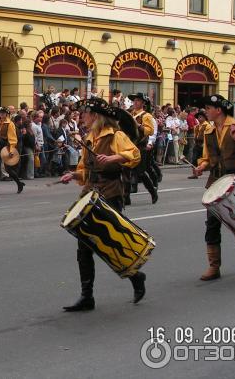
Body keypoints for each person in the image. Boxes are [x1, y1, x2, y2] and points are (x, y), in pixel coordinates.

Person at [60, 97, 145, 311]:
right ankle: (86, 296)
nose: (82, 117)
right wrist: (74, 174)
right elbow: (87, 170)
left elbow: (134, 155)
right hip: (90, 191)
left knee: (109, 243)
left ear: (95, 116)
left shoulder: (116, 135)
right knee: (84, 246)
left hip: (111, 191)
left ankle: (136, 276)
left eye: (85, 114)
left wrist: (114, 158)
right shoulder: (89, 138)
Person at [194, 95, 235, 281]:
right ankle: (214, 266)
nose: (205, 112)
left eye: (208, 108)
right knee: (212, 224)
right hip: (216, 182)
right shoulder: (209, 130)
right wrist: (201, 165)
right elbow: (207, 157)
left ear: (218, 110)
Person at [126, 93, 158, 204]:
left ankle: (153, 191)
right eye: (134, 100)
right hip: (129, 146)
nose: (135, 102)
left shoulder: (146, 116)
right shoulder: (130, 114)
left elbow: (150, 131)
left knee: (140, 172)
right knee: (126, 171)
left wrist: (138, 125)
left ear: (143, 103)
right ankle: (126, 198)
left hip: (140, 146)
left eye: (138, 100)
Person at [0, 107, 25, 195]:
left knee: (8, 169)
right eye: (0, 113)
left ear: (6, 114)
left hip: (6, 146)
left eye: (3, 113)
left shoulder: (10, 124)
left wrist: (11, 149)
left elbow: (13, 138)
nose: (1, 114)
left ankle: (19, 184)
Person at [187, 110, 209, 179]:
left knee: (203, 159)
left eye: (201, 117)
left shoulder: (208, 126)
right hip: (197, 144)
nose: (199, 119)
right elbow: (195, 136)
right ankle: (195, 173)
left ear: (205, 118)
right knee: (194, 159)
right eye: (198, 117)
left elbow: (208, 137)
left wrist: (205, 144)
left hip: (204, 145)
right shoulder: (196, 126)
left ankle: (200, 171)